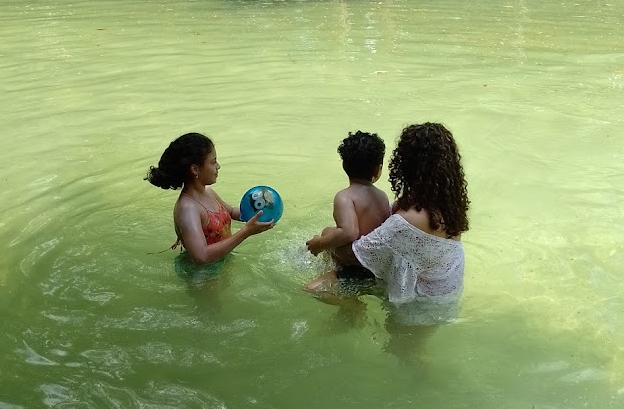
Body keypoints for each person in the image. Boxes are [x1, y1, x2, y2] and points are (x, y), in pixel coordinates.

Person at [305, 123, 468, 314]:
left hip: (417, 308)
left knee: (311, 288)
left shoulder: (407, 220)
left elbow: (352, 254)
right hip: (445, 294)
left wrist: (323, 239)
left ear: (404, 165)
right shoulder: (448, 208)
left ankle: (350, 307)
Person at [146, 132, 273, 264]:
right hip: (202, 277)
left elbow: (230, 212)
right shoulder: (188, 208)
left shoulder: (208, 192)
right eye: (213, 162)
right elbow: (202, 256)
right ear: (195, 169)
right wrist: (246, 232)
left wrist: (259, 212)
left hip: (221, 264)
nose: (218, 166)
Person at [305, 131, 391, 291]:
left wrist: (319, 244)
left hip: (356, 268)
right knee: (327, 231)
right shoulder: (382, 196)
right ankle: (334, 274)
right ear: (377, 169)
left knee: (310, 289)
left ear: (344, 165)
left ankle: (350, 302)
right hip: (377, 267)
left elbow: (349, 232)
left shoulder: (344, 197)